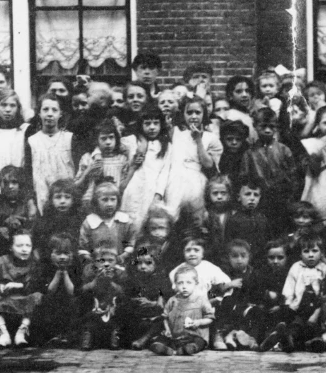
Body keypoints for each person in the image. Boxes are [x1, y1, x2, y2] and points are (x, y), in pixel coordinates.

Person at [165, 96, 222, 229]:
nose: (194, 116)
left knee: (197, 221)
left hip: (196, 182)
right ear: (183, 114)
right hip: (175, 180)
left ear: (204, 114)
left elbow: (208, 164)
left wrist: (198, 140)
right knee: (172, 218)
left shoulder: (211, 138)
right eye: (189, 112)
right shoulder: (175, 132)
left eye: (198, 112)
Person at [239, 108, 298, 235]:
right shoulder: (249, 154)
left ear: (276, 127)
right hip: (260, 202)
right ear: (255, 126)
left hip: (281, 200)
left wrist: (288, 195)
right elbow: (244, 178)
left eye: (271, 127)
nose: (267, 130)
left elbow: (293, 175)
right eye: (263, 126)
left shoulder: (284, 150)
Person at [0, 230, 46, 348]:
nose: (24, 249)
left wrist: (20, 285)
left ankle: (22, 331)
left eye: (28, 245)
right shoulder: (1, 261)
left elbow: (39, 284)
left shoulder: (35, 263)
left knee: (38, 296)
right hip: (6, 297)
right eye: (19, 245)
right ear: (11, 247)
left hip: (25, 298)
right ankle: (3, 333)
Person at [121, 106, 172, 235]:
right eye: (147, 123)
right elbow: (117, 143)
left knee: (146, 223)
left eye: (156, 123)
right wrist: (141, 142)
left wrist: (158, 194)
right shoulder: (133, 141)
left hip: (152, 190)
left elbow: (164, 172)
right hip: (134, 187)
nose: (152, 127)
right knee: (130, 220)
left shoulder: (166, 145)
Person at [149, 264, 215, 356]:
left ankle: (189, 348)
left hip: (194, 336)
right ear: (175, 284)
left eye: (188, 282)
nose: (184, 286)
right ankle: (165, 349)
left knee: (199, 341)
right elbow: (165, 317)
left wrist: (198, 322)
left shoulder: (201, 300)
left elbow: (210, 318)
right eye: (180, 283)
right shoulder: (172, 300)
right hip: (175, 337)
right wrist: (167, 329)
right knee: (162, 339)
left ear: (196, 283)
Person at [26, 93, 75, 213]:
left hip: (67, 199)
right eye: (45, 109)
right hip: (43, 198)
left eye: (54, 110)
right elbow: (28, 174)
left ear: (60, 114)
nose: (49, 114)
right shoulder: (32, 141)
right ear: (39, 113)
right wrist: (31, 201)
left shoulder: (69, 138)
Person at [78, 180, 135, 267]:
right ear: (96, 202)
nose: (109, 204)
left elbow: (131, 242)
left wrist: (122, 257)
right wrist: (93, 261)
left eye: (113, 199)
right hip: (96, 265)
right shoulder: (89, 222)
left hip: (120, 264)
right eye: (105, 200)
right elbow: (83, 247)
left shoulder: (125, 221)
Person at [123, 243, 169, 350]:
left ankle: (144, 339)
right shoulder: (133, 280)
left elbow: (165, 303)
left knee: (161, 320)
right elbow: (127, 297)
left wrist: (151, 303)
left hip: (154, 313)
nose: (143, 266)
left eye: (148, 263)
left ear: (156, 264)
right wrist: (134, 300)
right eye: (139, 263)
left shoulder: (162, 281)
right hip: (139, 314)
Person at [0, 90, 28, 181]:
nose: (8, 109)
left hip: (18, 182)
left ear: (18, 108)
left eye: (12, 105)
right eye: (3, 105)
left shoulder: (24, 130)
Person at [224, 179, 269, 262]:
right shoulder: (234, 220)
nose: (252, 198)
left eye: (256, 195)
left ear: (260, 198)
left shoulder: (262, 218)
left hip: (259, 260)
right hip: (241, 259)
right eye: (247, 194)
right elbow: (229, 244)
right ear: (239, 197)